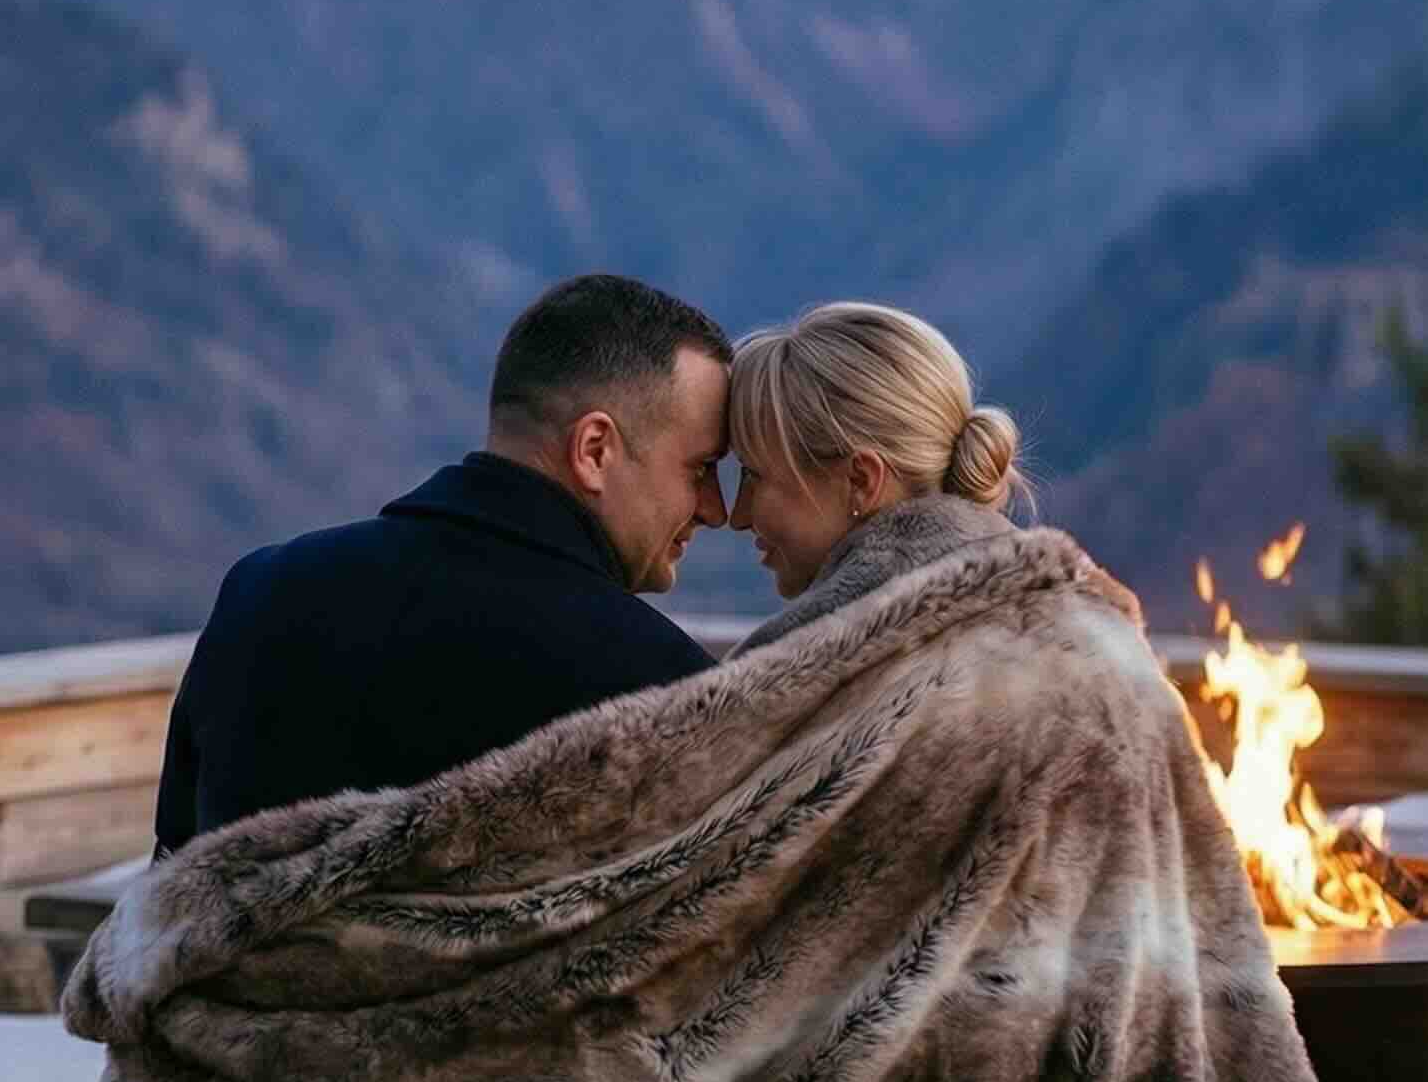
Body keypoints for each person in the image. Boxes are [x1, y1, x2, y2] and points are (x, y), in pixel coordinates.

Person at [153, 274, 731, 851]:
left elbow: (171, 883)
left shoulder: (259, 592)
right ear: (594, 450)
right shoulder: (659, 693)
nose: (716, 509)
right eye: (700, 468)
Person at [727, 299, 1028, 650]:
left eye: (753, 475)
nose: (737, 516)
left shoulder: (823, 679)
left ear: (860, 480)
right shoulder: (1052, 621)